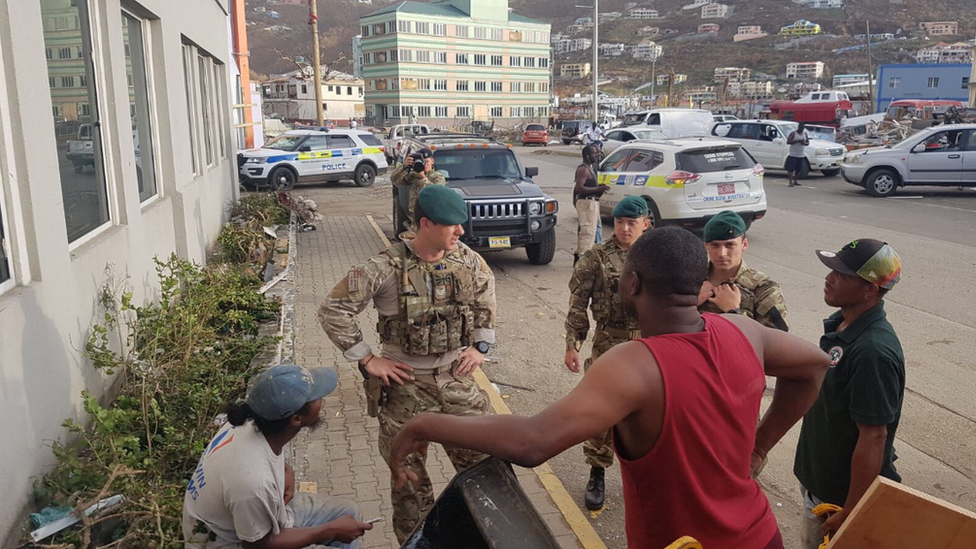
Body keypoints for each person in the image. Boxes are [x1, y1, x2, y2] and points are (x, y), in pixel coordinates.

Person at [388, 227, 830, 549]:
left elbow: (533, 442)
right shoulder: (743, 332)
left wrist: (424, 423)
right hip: (760, 534)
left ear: (632, 282)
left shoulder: (635, 364)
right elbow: (814, 365)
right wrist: (759, 447)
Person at [318, 185, 496, 543]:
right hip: (405, 388)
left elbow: (485, 297)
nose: (461, 232)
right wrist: (367, 358)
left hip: (455, 379)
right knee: (409, 484)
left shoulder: (467, 260)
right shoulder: (384, 267)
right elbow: (333, 310)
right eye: (452, 226)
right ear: (425, 224)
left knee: (486, 468)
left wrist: (480, 346)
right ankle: (419, 542)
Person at [182, 364, 372, 549]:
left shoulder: (247, 421)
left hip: (251, 520)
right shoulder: (253, 482)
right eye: (315, 397)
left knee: (348, 514)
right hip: (238, 542)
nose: (321, 398)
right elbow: (259, 544)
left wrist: (284, 468)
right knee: (338, 528)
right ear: (296, 419)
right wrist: (328, 531)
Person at [794, 239, 905, 549]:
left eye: (841, 275)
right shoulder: (842, 328)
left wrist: (853, 510)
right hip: (819, 483)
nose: (829, 278)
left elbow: (874, 437)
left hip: (839, 500)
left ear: (869, 289)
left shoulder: (873, 352)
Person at [564, 195, 650, 510]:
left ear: (645, 224)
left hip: (649, 345)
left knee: (647, 416)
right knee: (601, 412)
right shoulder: (596, 257)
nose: (625, 228)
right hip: (608, 344)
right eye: (619, 222)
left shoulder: (655, 256)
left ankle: (642, 478)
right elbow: (578, 302)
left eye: (632, 223)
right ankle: (597, 471)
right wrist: (572, 343)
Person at [698, 211, 789, 331]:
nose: (722, 253)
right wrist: (689, 304)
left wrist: (734, 311)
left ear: (744, 244)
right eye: (715, 245)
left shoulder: (763, 289)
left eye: (730, 245)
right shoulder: (692, 281)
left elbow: (776, 342)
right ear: (706, 245)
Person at [389, 148, 446, 233]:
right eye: (423, 162)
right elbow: (394, 179)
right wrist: (404, 166)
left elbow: (434, 192)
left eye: (427, 162)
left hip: (431, 215)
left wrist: (422, 177)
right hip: (415, 215)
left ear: (432, 161)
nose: (424, 165)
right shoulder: (413, 176)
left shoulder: (438, 177)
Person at [573, 144, 610, 264]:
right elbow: (579, 188)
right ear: (587, 156)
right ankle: (584, 261)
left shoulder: (589, 167)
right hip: (587, 203)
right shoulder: (583, 169)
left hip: (591, 202)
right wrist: (597, 190)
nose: (597, 155)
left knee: (591, 230)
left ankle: (582, 256)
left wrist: (600, 188)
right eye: (595, 153)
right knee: (588, 233)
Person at [786, 122, 810, 187]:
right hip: (793, 154)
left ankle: (795, 181)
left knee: (798, 169)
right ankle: (790, 182)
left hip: (801, 155)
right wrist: (797, 141)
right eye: (800, 128)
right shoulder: (793, 133)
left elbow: (807, 143)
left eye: (803, 128)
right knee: (791, 169)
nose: (801, 129)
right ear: (798, 127)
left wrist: (804, 143)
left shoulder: (805, 134)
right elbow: (788, 141)